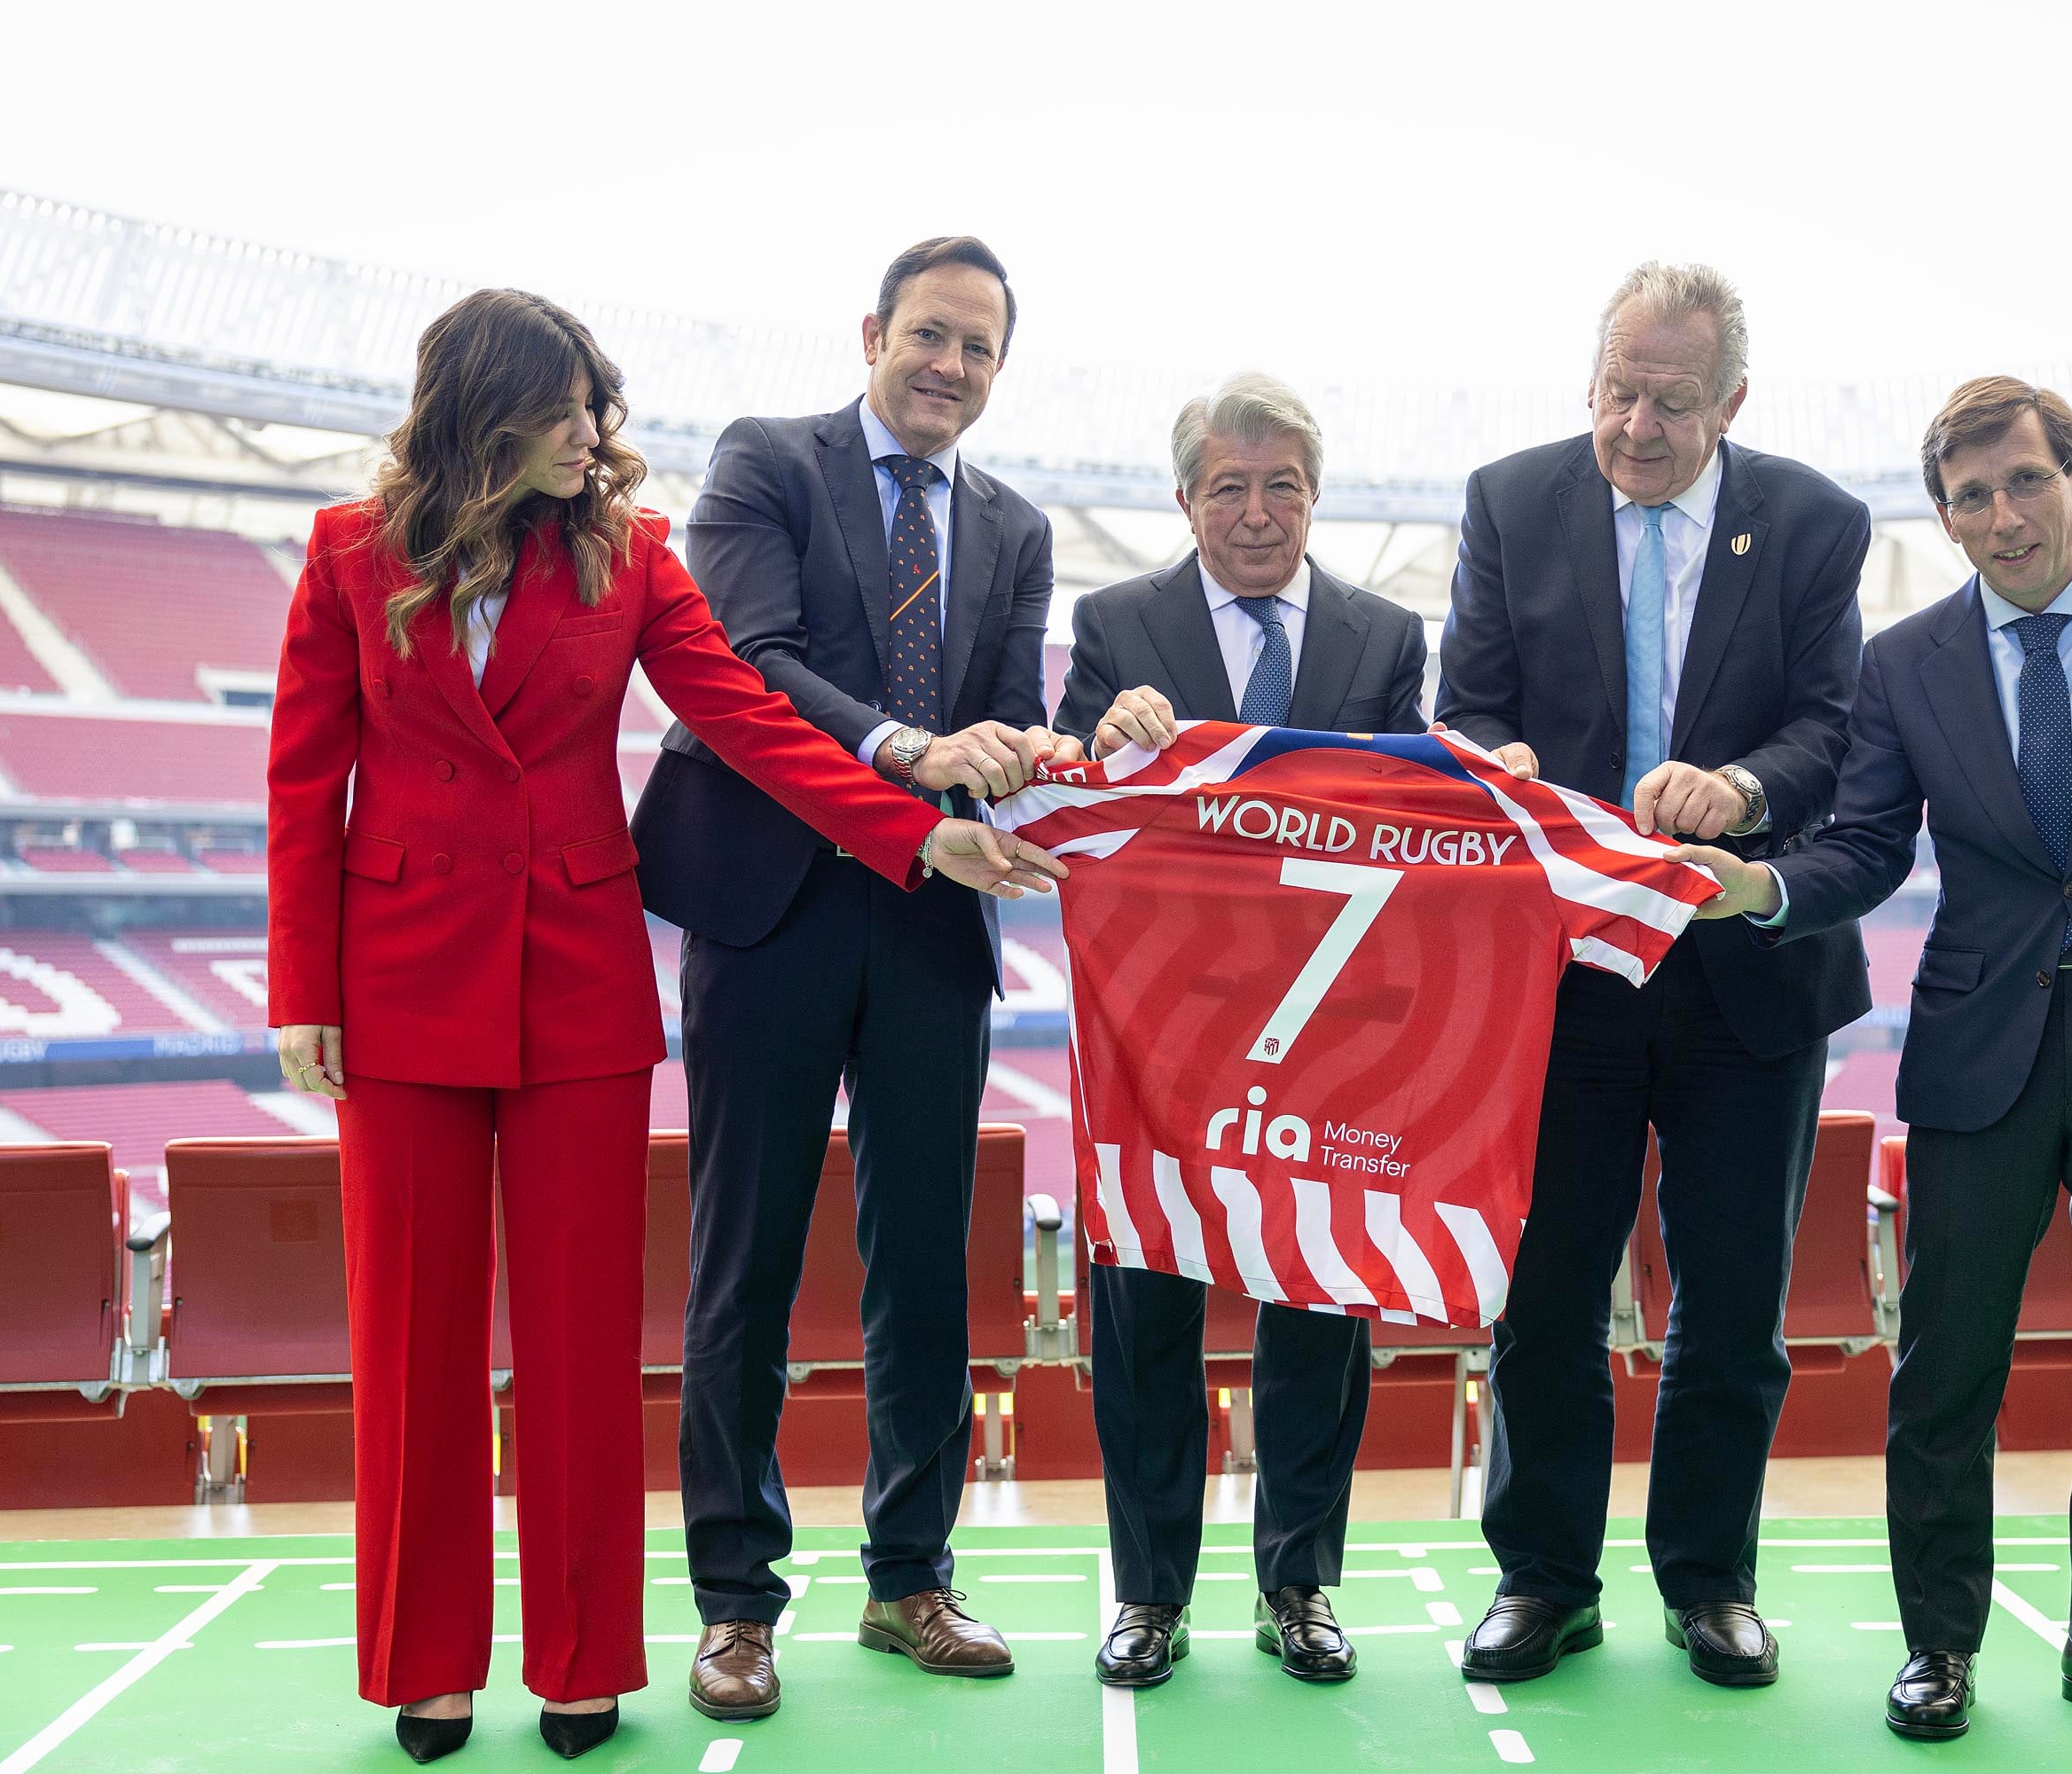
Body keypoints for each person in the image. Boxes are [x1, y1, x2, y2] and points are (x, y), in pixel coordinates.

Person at [267, 288, 1059, 1764]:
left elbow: (749, 720)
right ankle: (425, 1667)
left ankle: (581, 1664)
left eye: (598, 406)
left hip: (574, 980)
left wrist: (915, 838)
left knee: (579, 1343)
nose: (594, 434)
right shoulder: (346, 555)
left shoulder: (627, 557)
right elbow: (304, 783)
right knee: (414, 1341)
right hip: (395, 986)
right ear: (485, 415)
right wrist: (300, 989)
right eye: (568, 410)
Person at [1673, 376, 2072, 1744]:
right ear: (1948, 521)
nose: (2005, 514)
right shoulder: (1904, 663)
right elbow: (1864, 848)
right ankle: (1941, 1651)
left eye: (2026, 481)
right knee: (1947, 1369)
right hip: (1981, 1047)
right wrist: (1758, 890)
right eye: (1972, 496)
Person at [627, 238, 1061, 1723]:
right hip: (770, 905)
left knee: (925, 1263)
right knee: (743, 1261)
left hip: (935, 916)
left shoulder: (1013, 522)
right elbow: (746, 663)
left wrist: (1009, 746)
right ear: (872, 331)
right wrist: (910, 754)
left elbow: (1011, 692)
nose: (950, 368)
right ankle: (736, 1604)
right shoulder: (765, 462)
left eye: (979, 351)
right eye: (930, 336)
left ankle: (910, 1578)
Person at [1435, 262, 1872, 1689]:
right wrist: (1489, 764)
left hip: (1744, 965)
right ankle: (1544, 1580)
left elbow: (1834, 728)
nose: (1636, 423)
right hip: (1559, 973)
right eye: (1619, 389)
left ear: (1731, 401)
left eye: (1672, 402)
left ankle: (1711, 1581)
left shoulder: (1812, 521)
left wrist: (1742, 788)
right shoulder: (1510, 501)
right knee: (1548, 1293)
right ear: (1591, 375)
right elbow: (1473, 706)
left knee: (1733, 1302)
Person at [1048, 373, 1428, 1688]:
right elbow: (1066, 793)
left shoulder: (1386, 637)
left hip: (1333, 1030)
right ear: (1184, 499)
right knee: (1145, 1308)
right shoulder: (1114, 622)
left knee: (1320, 1304)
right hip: (1163, 1031)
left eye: (1281, 487)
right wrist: (1100, 738)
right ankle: (1149, 1596)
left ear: (1315, 496)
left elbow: (1413, 815)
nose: (1257, 513)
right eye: (1228, 487)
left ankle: (1301, 1586)